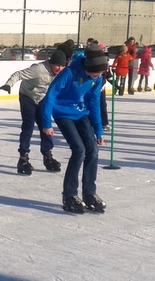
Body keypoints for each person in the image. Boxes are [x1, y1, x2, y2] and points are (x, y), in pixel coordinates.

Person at [40, 44, 107, 214]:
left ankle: (89, 193)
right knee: (79, 150)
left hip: (79, 112)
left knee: (92, 149)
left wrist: (98, 130)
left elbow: (94, 103)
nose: (99, 77)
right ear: (88, 68)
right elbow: (51, 95)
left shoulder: (97, 79)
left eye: (100, 74)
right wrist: (46, 123)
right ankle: (69, 195)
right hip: (62, 112)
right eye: (96, 73)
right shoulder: (69, 73)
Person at [0, 50, 67, 175]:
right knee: (28, 126)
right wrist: (8, 84)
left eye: (62, 66)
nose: (59, 68)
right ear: (51, 63)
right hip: (27, 97)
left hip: (42, 99)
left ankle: (47, 155)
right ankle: (23, 157)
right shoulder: (38, 69)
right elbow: (18, 74)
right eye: (57, 65)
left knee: (46, 126)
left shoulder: (61, 73)